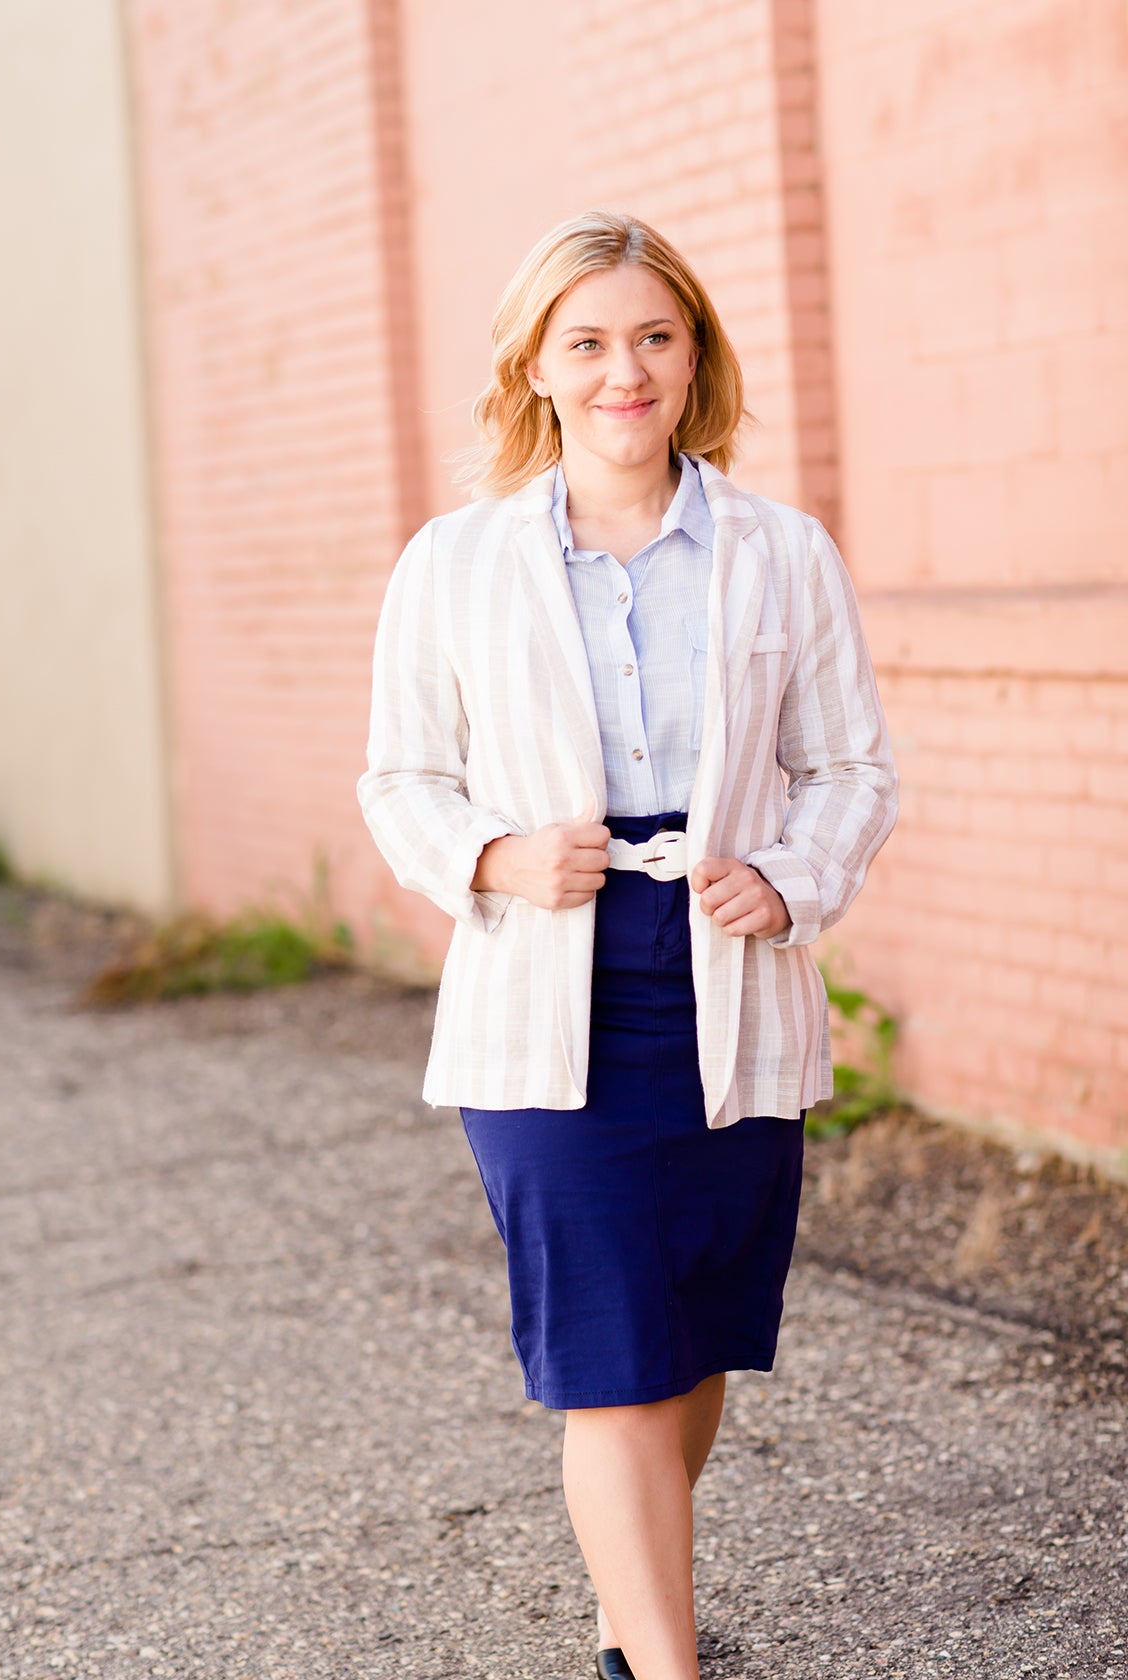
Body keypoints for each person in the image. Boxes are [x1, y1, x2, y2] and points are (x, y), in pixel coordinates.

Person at [357, 209, 897, 1680]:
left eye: (655, 337)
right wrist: (492, 855)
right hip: (547, 981)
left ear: (694, 355)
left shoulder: (782, 553)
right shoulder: (455, 563)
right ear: (535, 365)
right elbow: (401, 777)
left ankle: (626, 1593)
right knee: (610, 1360)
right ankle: (663, 1666)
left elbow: (853, 767)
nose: (624, 370)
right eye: (586, 341)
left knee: (696, 1336)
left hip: (724, 966)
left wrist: (790, 880)